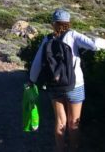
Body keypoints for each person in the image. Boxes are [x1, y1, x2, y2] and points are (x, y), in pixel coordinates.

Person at [29, 8, 98, 152]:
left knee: (60, 121)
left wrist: (32, 80)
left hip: (54, 85)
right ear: (68, 23)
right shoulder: (73, 35)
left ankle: (60, 150)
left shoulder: (47, 39)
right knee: (74, 122)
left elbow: (37, 63)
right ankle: (73, 149)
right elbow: (93, 46)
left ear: (53, 23)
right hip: (75, 85)